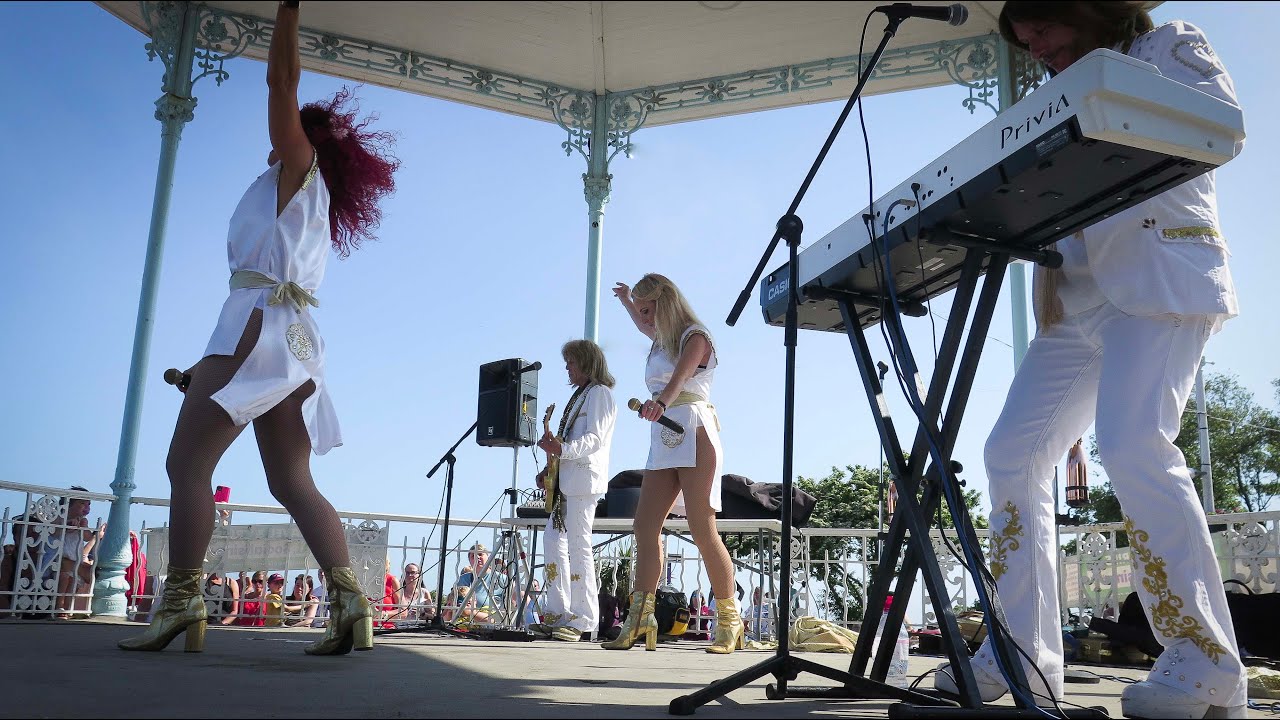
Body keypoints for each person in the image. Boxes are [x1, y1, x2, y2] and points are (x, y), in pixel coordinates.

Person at [932, 4, 1248, 718]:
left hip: (1158, 275)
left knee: (1134, 442)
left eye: (1043, 30)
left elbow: (1220, 125)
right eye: (1026, 42)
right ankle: (1023, 654)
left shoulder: (1169, 44)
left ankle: (1207, 664)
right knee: (1011, 454)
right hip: (1076, 302)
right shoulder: (1050, 93)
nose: (1037, 49)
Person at [118, 0, 398, 656]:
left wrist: (287, 11)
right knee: (291, 481)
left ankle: (182, 601)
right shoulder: (301, 189)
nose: (274, 130)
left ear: (306, 135)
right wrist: (206, 367)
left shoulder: (297, 167)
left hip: (258, 325)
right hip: (289, 338)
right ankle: (350, 605)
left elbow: (281, 81)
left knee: (187, 464)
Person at [603, 274, 743, 653]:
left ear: (665, 304)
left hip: (694, 429)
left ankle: (729, 620)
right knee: (644, 526)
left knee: (701, 527)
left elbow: (680, 377)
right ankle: (640, 617)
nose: (644, 318)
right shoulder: (660, 338)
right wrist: (627, 301)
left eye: (649, 310)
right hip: (663, 438)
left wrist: (661, 402)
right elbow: (642, 325)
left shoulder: (695, 336)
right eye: (641, 312)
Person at [530, 339, 617, 643]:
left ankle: (584, 618)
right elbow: (568, 442)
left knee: (579, 546)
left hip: (584, 482)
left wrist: (562, 449)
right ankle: (558, 613)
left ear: (586, 362)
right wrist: (549, 469)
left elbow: (595, 439)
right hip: (566, 482)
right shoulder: (581, 395)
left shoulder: (600, 394)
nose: (567, 368)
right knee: (553, 540)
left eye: (571, 362)